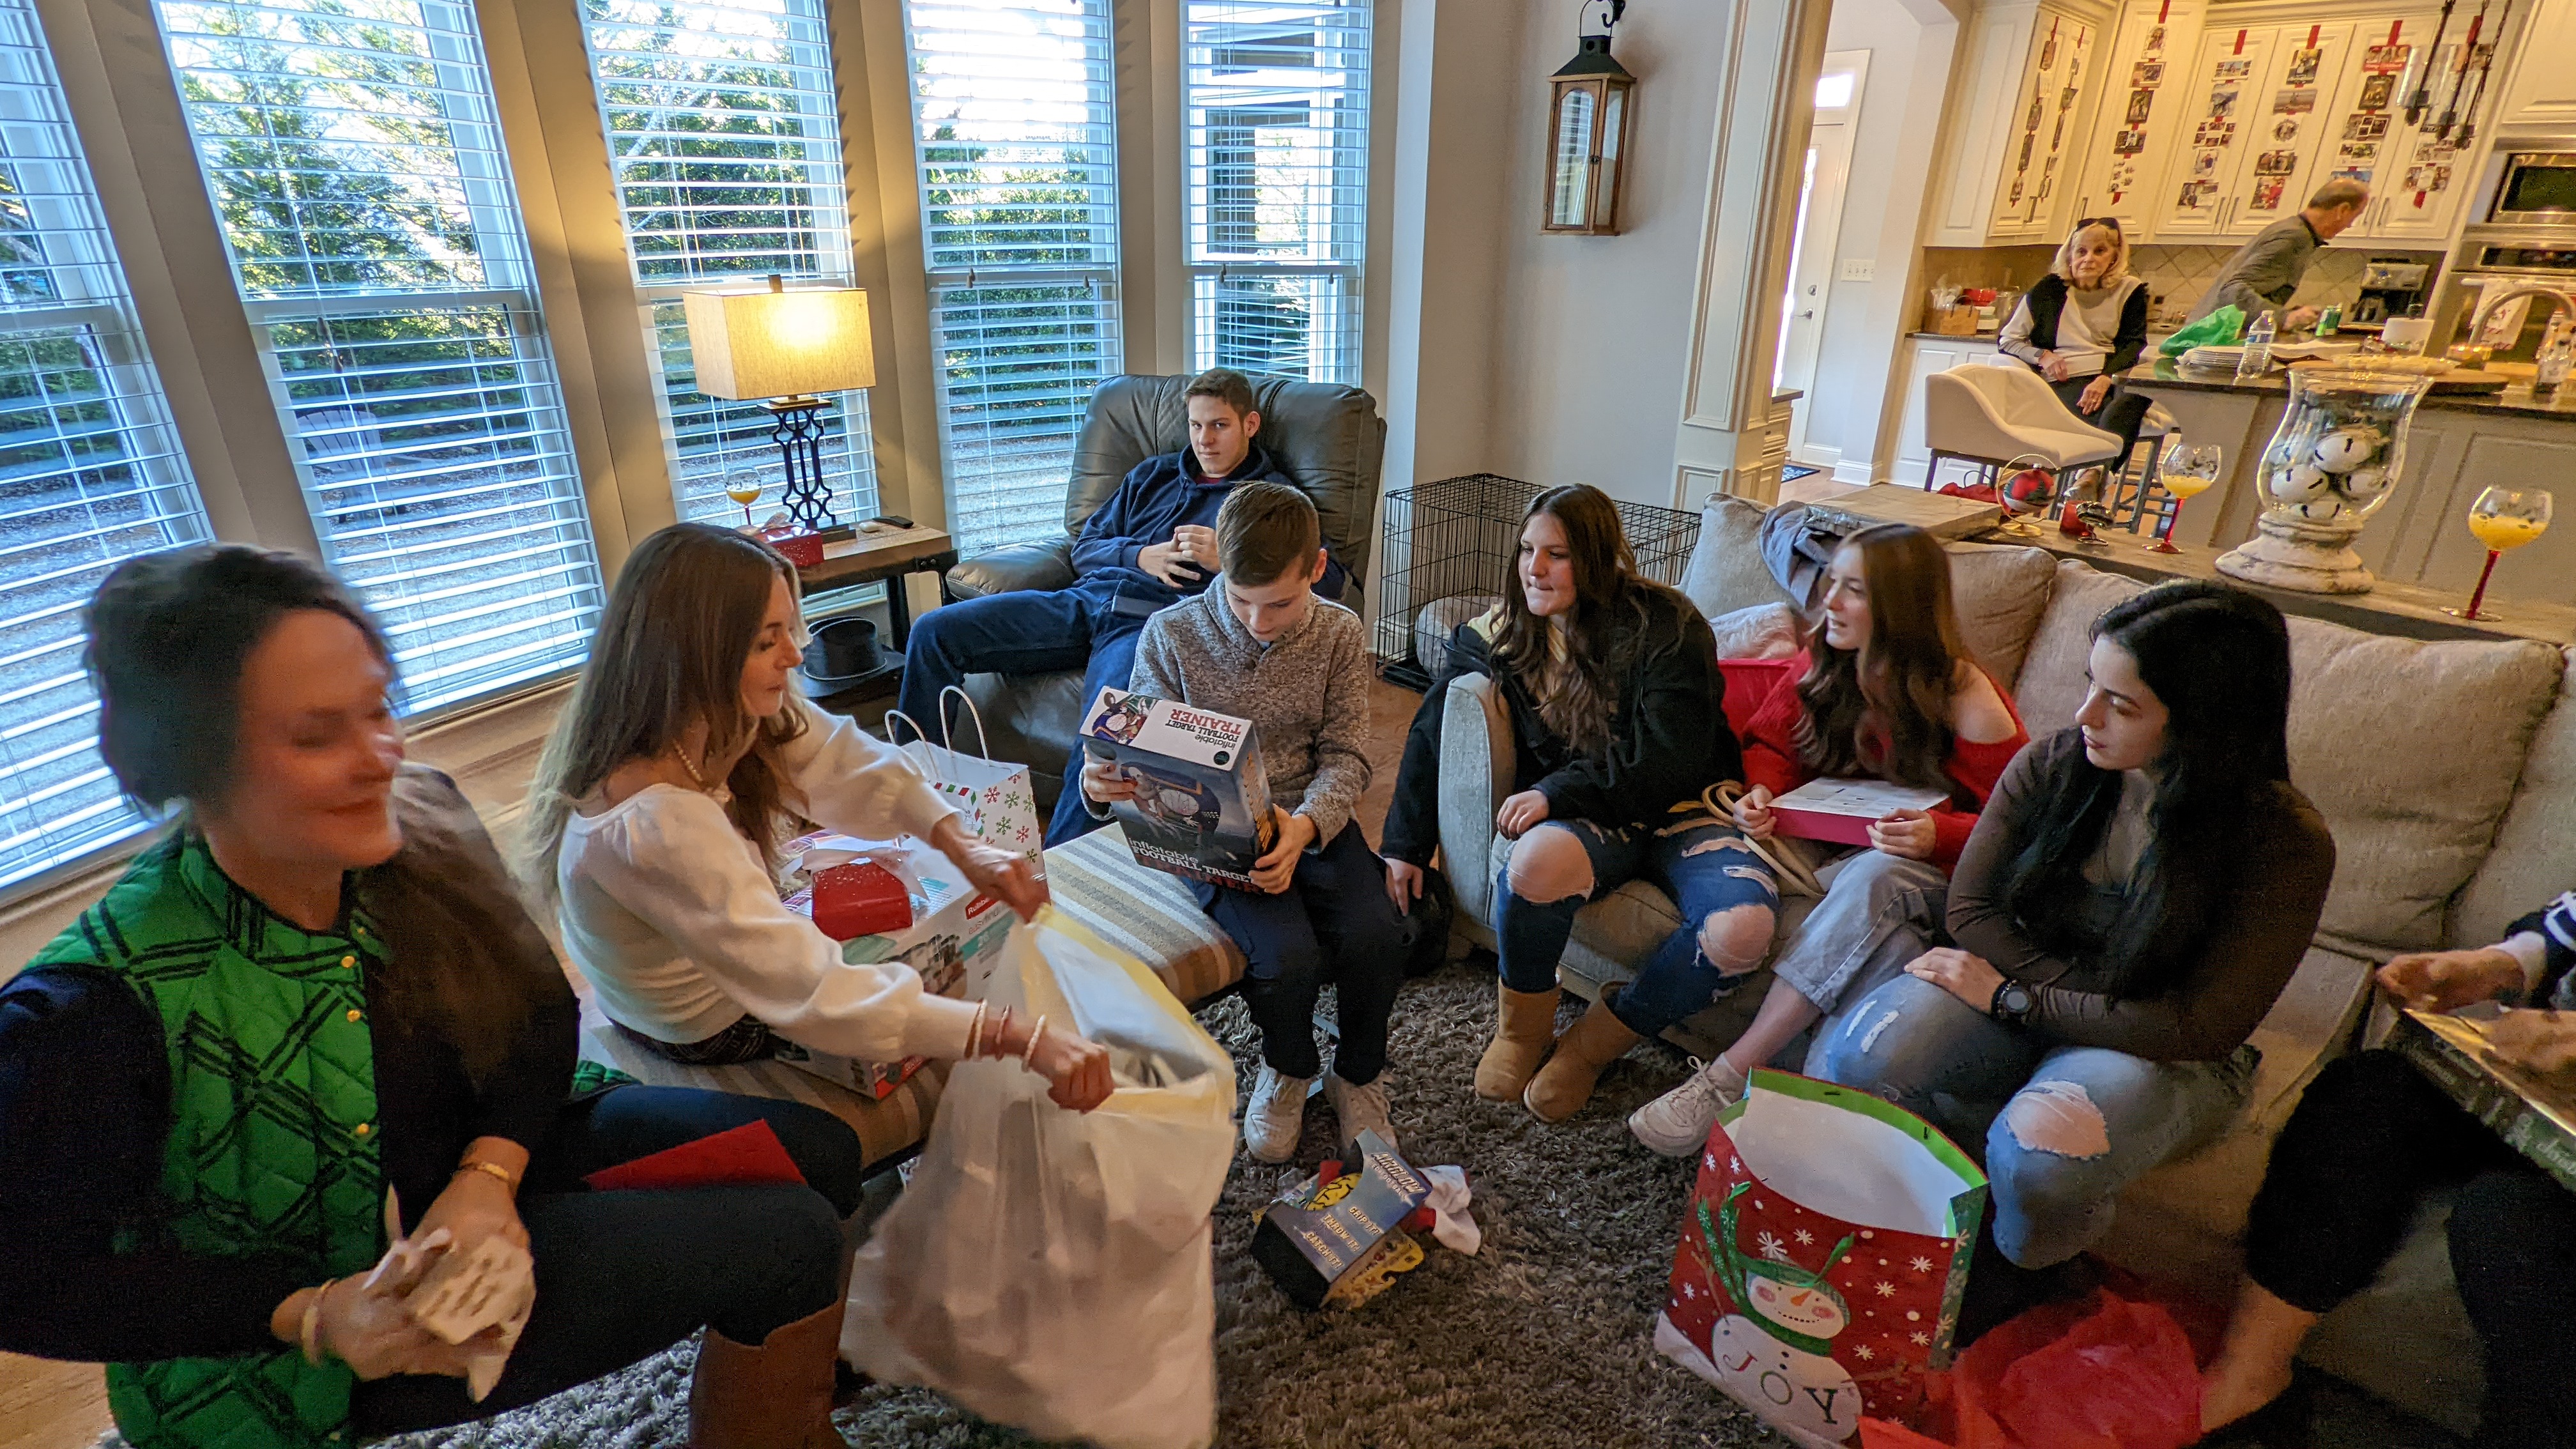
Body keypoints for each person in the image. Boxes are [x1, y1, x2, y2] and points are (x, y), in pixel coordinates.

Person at [0, 544, 887, 1449]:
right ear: (189, 759)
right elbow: (25, 1280)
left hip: (492, 1167)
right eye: (316, 736)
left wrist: (486, 1180)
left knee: (817, 1154)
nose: (380, 756)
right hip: (324, 1319)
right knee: (787, 1237)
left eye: (379, 710)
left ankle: (777, 1415)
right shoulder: (92, 1007)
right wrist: (316, 1312)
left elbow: (539, 1013)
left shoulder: (422, 819)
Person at [1811, 581, 2334, 1337]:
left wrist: (2017, 1000)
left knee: (2047, 1148)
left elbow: (2198, 1028)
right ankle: (1913, 1239)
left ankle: (2023, 1275)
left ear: (2206, 721)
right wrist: (2066, 1002)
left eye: (2121, 704)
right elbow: (1971, 911)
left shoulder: (2284, 842)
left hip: (2162, 1049)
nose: (2085, 715)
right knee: (1865, 1053)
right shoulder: (2057, 763)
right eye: (2092, 684)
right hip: (2071, 999)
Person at [527, 524, 1112, 1151]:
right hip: (703, 1025)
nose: (795, 655)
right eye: (766, 641)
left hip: (695, 973)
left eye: (791, 629)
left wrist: (963, 844)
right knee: (949, 971)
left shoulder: (697, 718)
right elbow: (813, 991)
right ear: (694, 657)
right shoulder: (654, 822)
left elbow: (843, 757)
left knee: (934, 938)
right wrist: (1016, 1035)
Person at [1626, 524, 2027, 1157]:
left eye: (1854, 590)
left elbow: (2021, 830)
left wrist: (1939, 834)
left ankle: (1729, 1075)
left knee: (1874, 877)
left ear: (1901, 607)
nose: (1829, 601)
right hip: (1838, 855)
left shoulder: (1967, 696)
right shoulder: (1827, 659)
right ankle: (1792, 1128)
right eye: (1832, 583)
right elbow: (1772, 743)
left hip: (1936, 877)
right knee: (1887, 941)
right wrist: (1762, 792)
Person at [1382, 484, 1773, 1124]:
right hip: (1597, 819)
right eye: (1526, 550)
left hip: (1687, 809)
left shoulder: (1667, 625)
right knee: (1532, 863)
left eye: (1557, 555)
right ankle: (1523, 1032)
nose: (1534, 569)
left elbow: (1668, 761)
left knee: (1744, 930)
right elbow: (1434, 729)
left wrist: (1554, 792)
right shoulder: (1500, 634)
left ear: (1596, 559)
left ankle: (1593, 1046)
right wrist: (1404, 845)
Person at [1083, 482, 1404, 1162]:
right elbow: (1139, 759)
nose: (1259, 620)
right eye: (1240, 599)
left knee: (1378, 932)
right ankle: (1289, 1068)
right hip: (1216, 833)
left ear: (1317, 569)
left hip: (1311, 815)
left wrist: (1305, 827)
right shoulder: (1171, 634)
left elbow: (1347, 757)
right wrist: (1101, 784)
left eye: (1280, 603)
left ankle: (1359, 1074)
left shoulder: (1339, 632)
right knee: (1286, 958)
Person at [895, 367, 1348, 847]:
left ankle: (1063, 866)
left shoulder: (1268, 500)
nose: (1205, 440)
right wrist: (1139, 556)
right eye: (1196, 425)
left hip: (1148, 625)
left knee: (1105, 732)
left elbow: (1329, 579)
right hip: (1084, 601)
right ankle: (910, 802)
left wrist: (1228, 561)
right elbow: (1085, 546)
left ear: (1250, 424)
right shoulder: (1152, 475)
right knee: (933, 631)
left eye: (1219, 426)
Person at [2198, 889, 2576, 1448]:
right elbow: (2562, 929)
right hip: (2551, 1100)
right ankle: (2251, 1384)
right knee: (2370, 1093)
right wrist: (2498, 965)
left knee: (2508, 1221)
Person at [1998, 218, 2150, 419]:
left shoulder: (2129, 289)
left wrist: (2105, 378)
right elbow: (2007, 341)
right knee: (2106, 416)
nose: (2089, 259)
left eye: (2100, 251)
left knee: (2136, 402)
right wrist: (2043, 356)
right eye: (2081, 251)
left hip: (2112, 375)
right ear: (2070, 255)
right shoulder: (2049, 289)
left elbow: (2133, 343)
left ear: (2115, 257)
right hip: (2067, 377)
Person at [2184, 178, 2370, 331]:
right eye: (2355, 216)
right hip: (2212, 340)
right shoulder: (2294, 237)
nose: (2350, 225)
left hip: (2209, 335)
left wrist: (2291, 313)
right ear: (2342, 210)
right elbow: (2232, 292)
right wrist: (2285, 318)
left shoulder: (2296, 231)